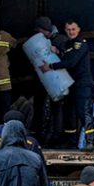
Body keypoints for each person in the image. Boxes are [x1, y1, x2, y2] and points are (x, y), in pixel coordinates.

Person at [40, 19, 94, 150]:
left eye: (73, 29)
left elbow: (71, 62)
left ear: (78, 30)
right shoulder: (67, 44)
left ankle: (91, 142)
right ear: (65, 30)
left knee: (84, 113)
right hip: (70, 84)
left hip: (82, 84)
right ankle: (70, 141)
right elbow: (65, 56)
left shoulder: (81, 43)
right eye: (68, 30)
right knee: (69, 114)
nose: (71, 32)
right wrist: (58, 52)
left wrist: (51, 66)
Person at [33, 17, 69, 145]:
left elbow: (69, 59)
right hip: (42, 79)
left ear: (44, 30)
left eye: (38, 30)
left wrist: (58, 51)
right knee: (39, 106)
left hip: (57, 79)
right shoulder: (42, 40)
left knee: (57, 108)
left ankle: (56, 137)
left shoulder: (61, 40)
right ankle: (39, 135)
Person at [0, 29, 18, 126]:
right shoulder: (6, 36)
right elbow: (15, 44)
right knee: (5, 110)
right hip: (4, 82)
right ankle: (4, 129)